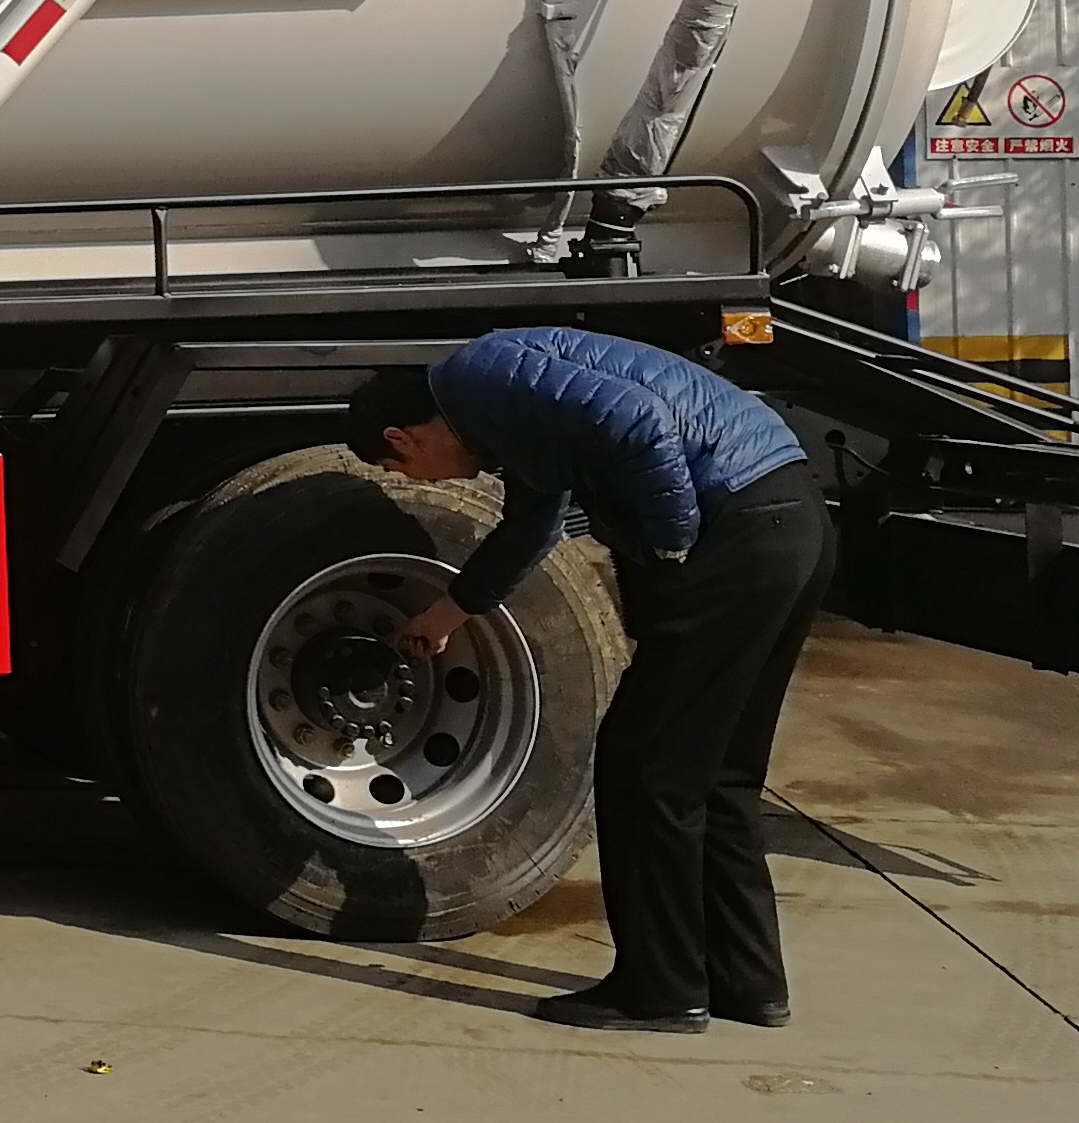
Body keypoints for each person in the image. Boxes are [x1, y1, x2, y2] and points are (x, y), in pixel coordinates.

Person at [345, 325, 834, 1036]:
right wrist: (451, 611)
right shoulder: (500, 406)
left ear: (403, 436)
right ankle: (746, 981)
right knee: (718, 774)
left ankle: (660, 991)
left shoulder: (484, 375)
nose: (422, 482)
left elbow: (637, 420)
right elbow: (532, 524)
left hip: (736, 532)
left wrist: (670, 545)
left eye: (403, 470)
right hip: (786, 520)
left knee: (644, 770)